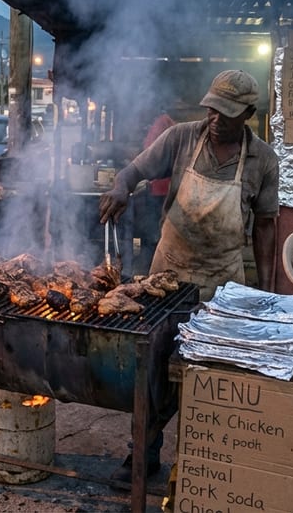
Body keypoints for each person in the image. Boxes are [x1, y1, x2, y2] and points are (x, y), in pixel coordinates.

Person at [98, 69, 279, 486]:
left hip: (223, 285)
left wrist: (267, 291)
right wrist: (122, 187)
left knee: (210, 377)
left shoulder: (263, 160)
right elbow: (134, 170)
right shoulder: (180, 137)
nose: (216, 119)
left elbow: (266, 225)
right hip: (167, 277)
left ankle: (204, 468)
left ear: (249, 113)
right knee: (154, 373)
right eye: (212, 109)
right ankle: (143, 456)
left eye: (227, 114)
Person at [131, 109, 175, 275]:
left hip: (160, 189)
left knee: (153, 233)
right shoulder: (168, 122)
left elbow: (151, 155)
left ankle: (153, 270)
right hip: (162, 187)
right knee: (156, 231)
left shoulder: (161, 124)